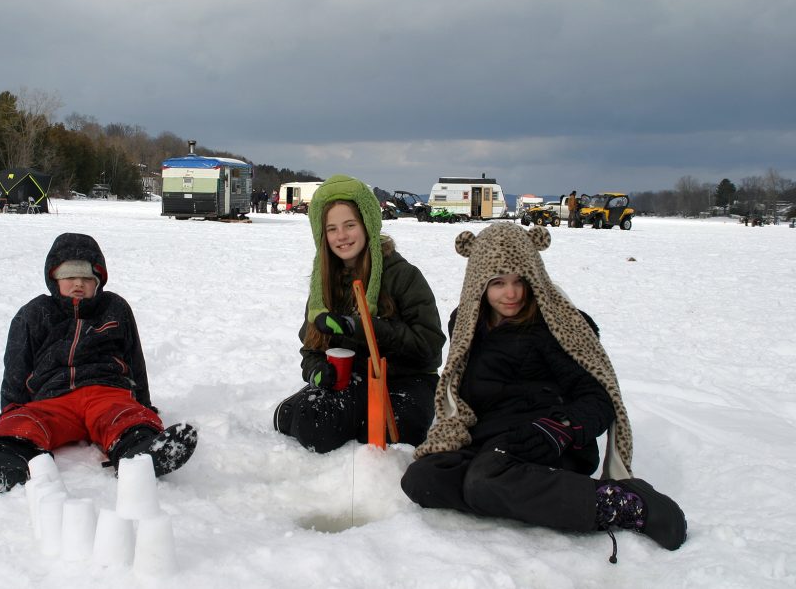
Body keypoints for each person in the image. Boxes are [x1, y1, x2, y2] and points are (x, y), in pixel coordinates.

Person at [401, 223, 686, 560]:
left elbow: (600, 397)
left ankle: (618, 503)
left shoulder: (558, 327)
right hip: (489, 440)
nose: (512, 293)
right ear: (478, 281)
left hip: (547, 439)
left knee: (484, 481)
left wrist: (561, 428)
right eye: (498, 282)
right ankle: (514, 492)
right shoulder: (465, 324)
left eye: (520, 280)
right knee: (423, 478)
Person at [0, 233, 198, 491]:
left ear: (99, 281)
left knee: (124, 416)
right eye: (69, 276)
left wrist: (143, 403)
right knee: (25, 421)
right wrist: (10, 411)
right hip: (52, 399)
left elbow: (134, 357)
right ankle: (4, 460)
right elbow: (16, 365)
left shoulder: (114, 308)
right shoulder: (35, 313)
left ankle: (141, 451)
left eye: (86, 277)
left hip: (105, 391)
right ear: (54, 279)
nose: (78, 284)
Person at [273, 175, 445, 453]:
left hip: (407, 379)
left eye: (350, 225)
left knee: (388, 434)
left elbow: (429, 348)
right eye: (332, 229)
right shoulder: (324, 283)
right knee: (309, 423)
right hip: (355, 378)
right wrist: (317, 371)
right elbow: (311, 348)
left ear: (367, 224)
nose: (341, 236)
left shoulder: (403, 275)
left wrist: (367, 327)